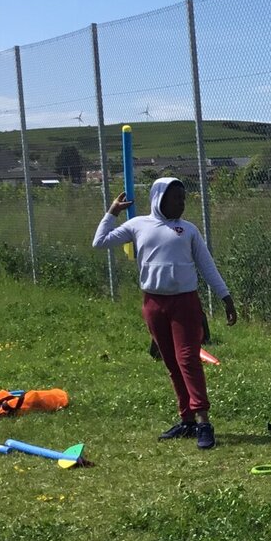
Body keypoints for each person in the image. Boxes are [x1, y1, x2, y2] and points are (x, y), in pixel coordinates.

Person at [91, 177, 236, 449]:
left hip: (185, 305)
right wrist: (113, 212)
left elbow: (207, 266)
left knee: (188, 360)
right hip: (154, 305)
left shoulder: (188, 230)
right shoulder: (137, 226)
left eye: (183, 198)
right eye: (175, 198)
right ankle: (187, 421)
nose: (181, 203)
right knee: (171, 364)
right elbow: (100, 242)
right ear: (159, 199)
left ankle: (204, 422)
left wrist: (225, 296)